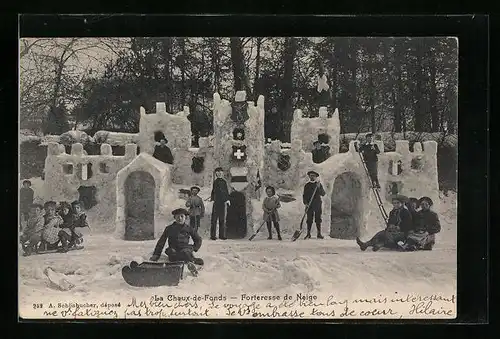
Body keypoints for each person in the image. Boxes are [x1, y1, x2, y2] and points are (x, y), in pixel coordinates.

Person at [150, 208, 203, 276]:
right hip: (174, 249)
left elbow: (198, 239)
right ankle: (183, 264)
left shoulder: (189, 228)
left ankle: (191, 264)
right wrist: (156, 255)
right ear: (174, 217)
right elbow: (161, 242)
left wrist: (194, 248)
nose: (180, 218)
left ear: (185, 218)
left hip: (185, 249)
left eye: (182, 216)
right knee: (172, 254)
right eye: (177, 216)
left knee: (185, 252)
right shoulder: (169, 228)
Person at [302, 171, 326, 239]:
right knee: (309, 219)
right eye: (311, 175)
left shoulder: (318, 184)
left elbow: (323, 194)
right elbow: (304, 196)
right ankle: (308, 233)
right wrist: (306, 203)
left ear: (316, 177)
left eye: (313, 175)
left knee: (318, 219)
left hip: (317, 204)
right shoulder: (307, 185)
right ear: (309, 176)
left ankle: (319, 234)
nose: (312, 177)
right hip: (309, 205)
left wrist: (319, 187)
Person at [209, 167, 230, 240]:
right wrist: (212, 198)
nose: (219, 173)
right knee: (214, 219)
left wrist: (227, 199)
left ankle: (222, 235)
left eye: (221, 172)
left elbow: (226, 191)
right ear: (216, 174)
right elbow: (213, 191)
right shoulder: (215, 182)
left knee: (222, 219)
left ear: (222, 173)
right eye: (217, 172)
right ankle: (213, 235)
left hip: (222, 202)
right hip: (216, 202)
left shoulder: (224, 182)